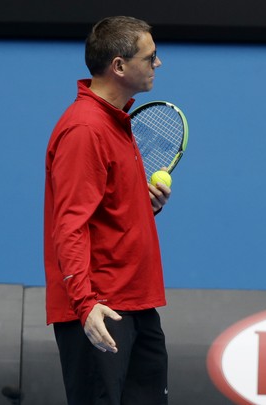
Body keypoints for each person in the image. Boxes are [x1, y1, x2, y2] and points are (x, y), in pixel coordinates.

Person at [44, 16, 172, 405]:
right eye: (150, 57)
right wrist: (85, 306)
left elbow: (102, 212)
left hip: (136, 305)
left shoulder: (117, 123)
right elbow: (69, 227)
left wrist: (141, 206)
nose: (158, 63)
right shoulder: (85, 129)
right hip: (99, 310)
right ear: (119, 66)